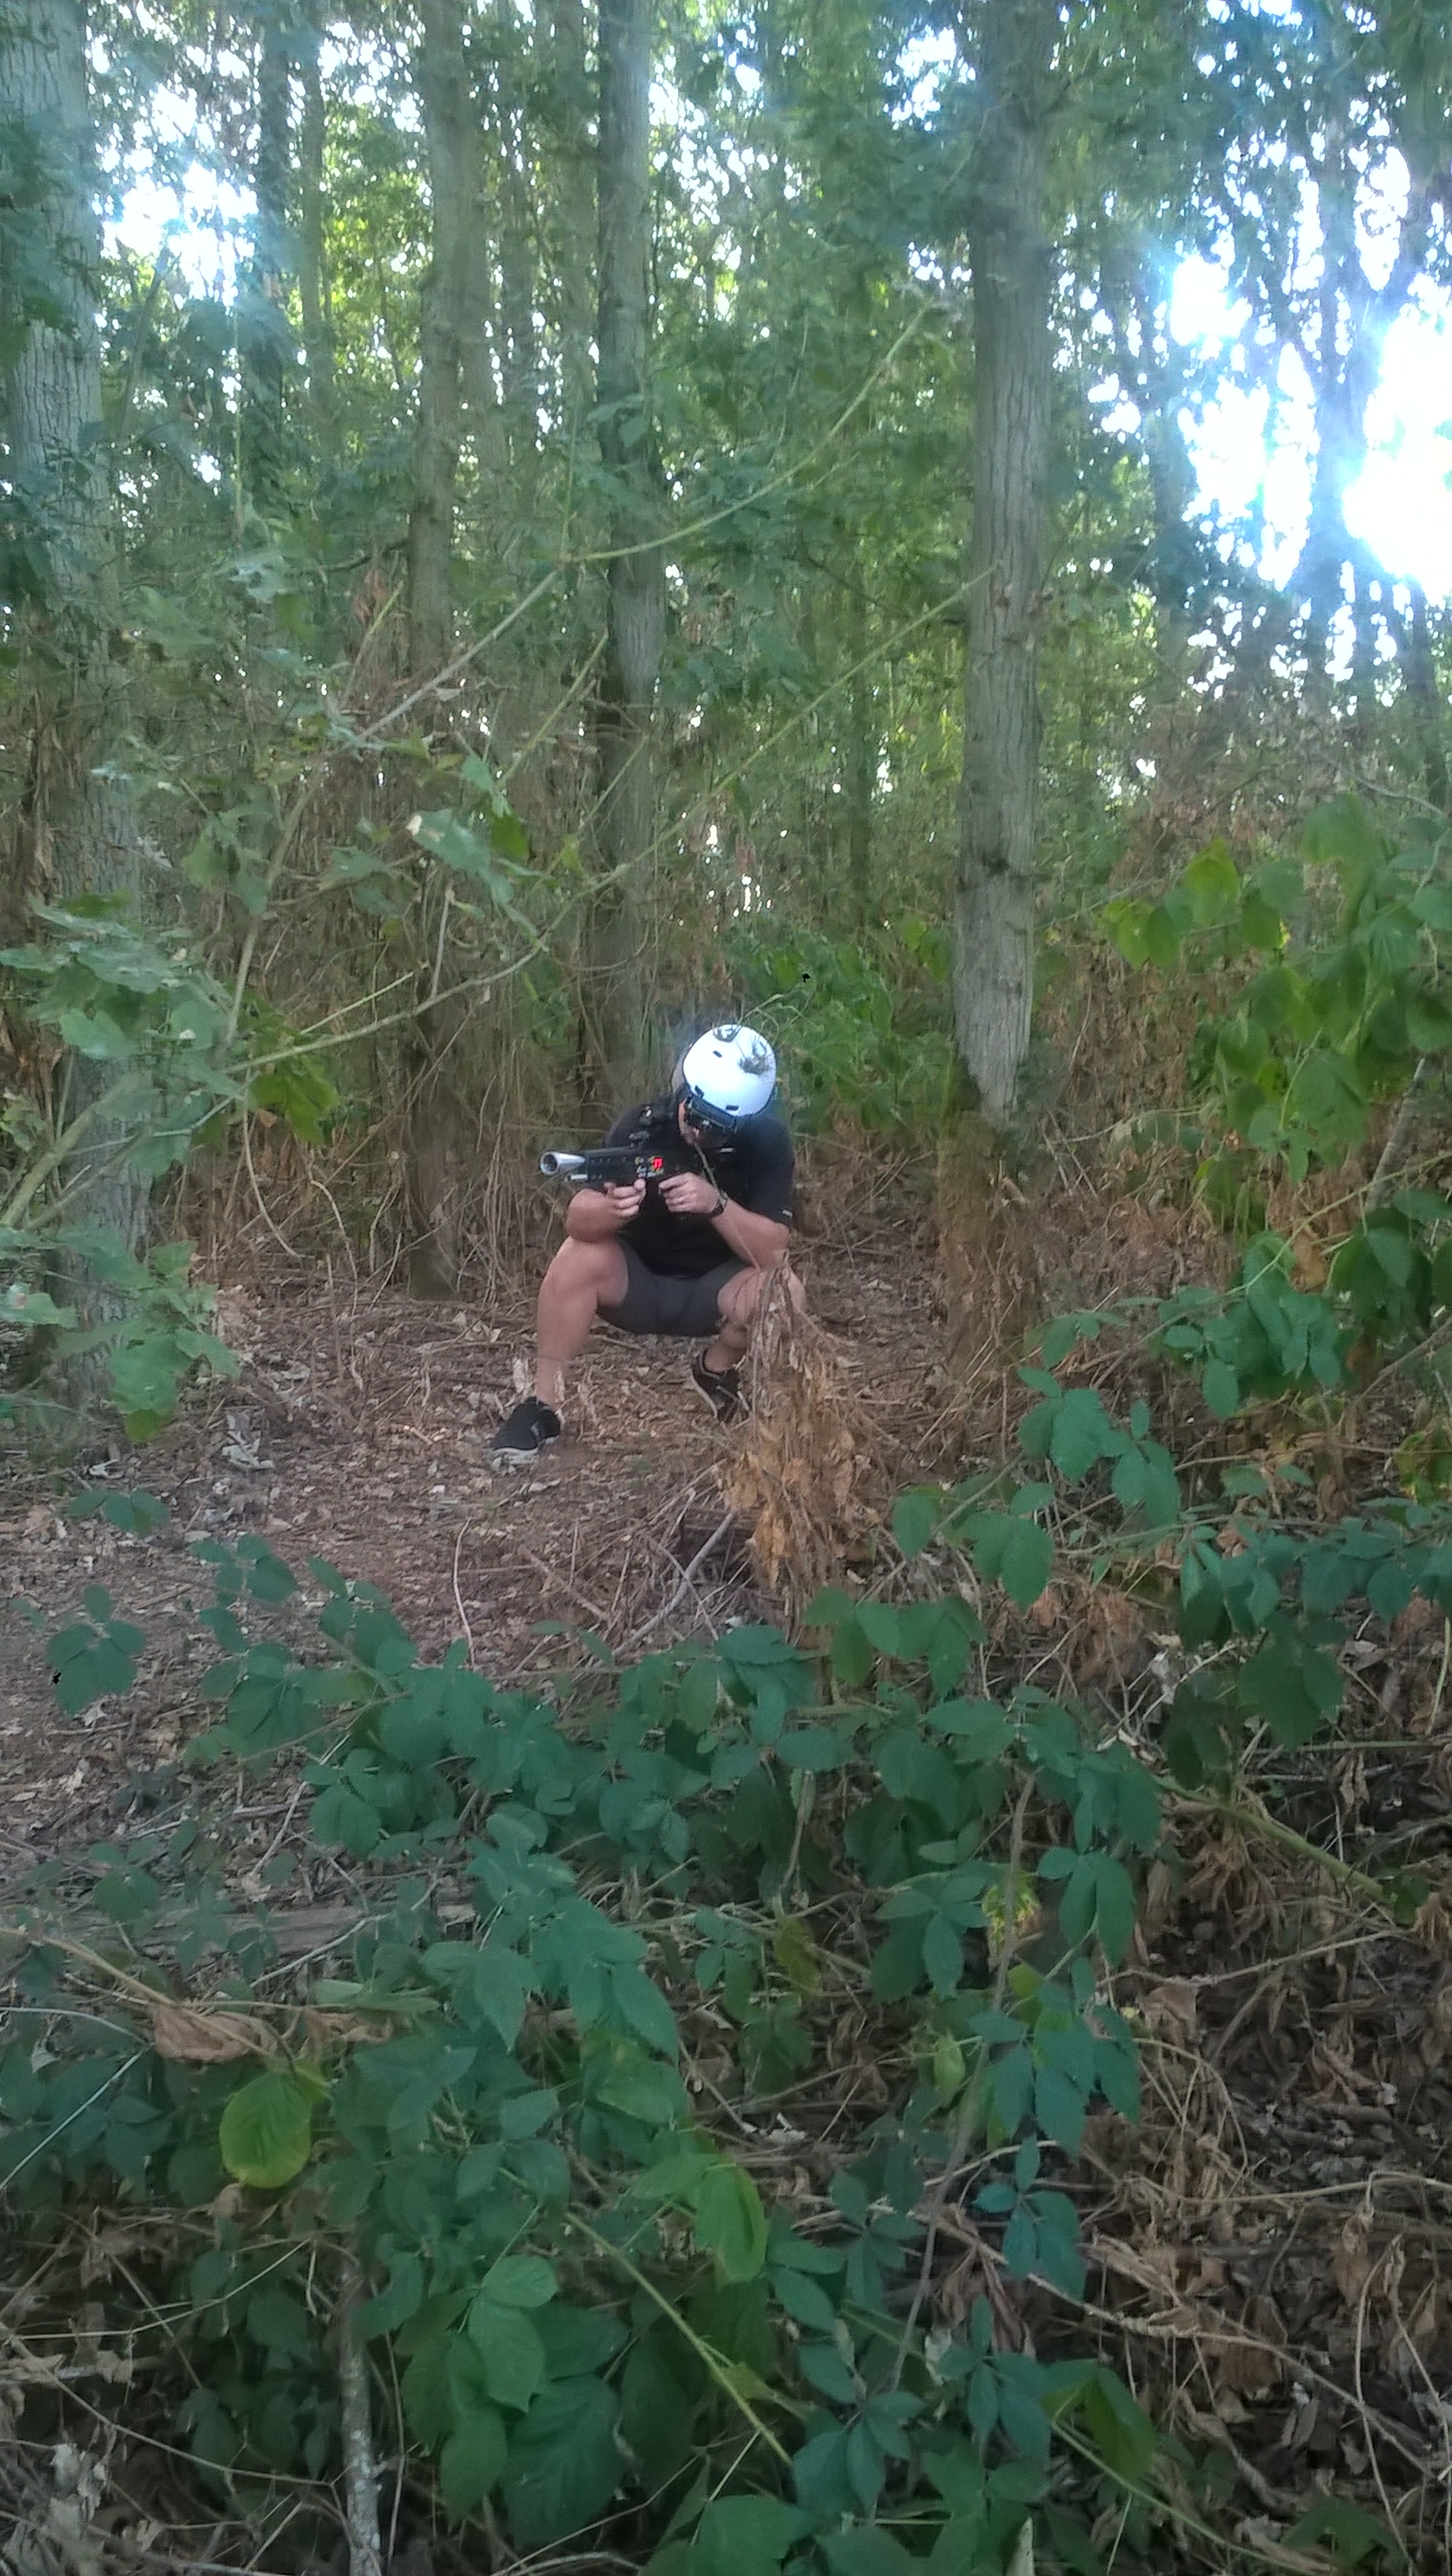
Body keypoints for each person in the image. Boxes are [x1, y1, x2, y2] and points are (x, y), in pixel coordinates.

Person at [491, 1024, 799, 1461]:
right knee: (576, 1257)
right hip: (637, 1284)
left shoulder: (767, 1143)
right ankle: (543, 1404)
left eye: (715, 1129)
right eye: (694, 1116)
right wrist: (613, 1210)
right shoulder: (643, 1125)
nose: (698, 1132)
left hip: (716, 1289)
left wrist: (716, 1204)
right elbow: (577, 1220)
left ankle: (716, 1370)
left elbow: (774, 1251)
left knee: (785, 1292)